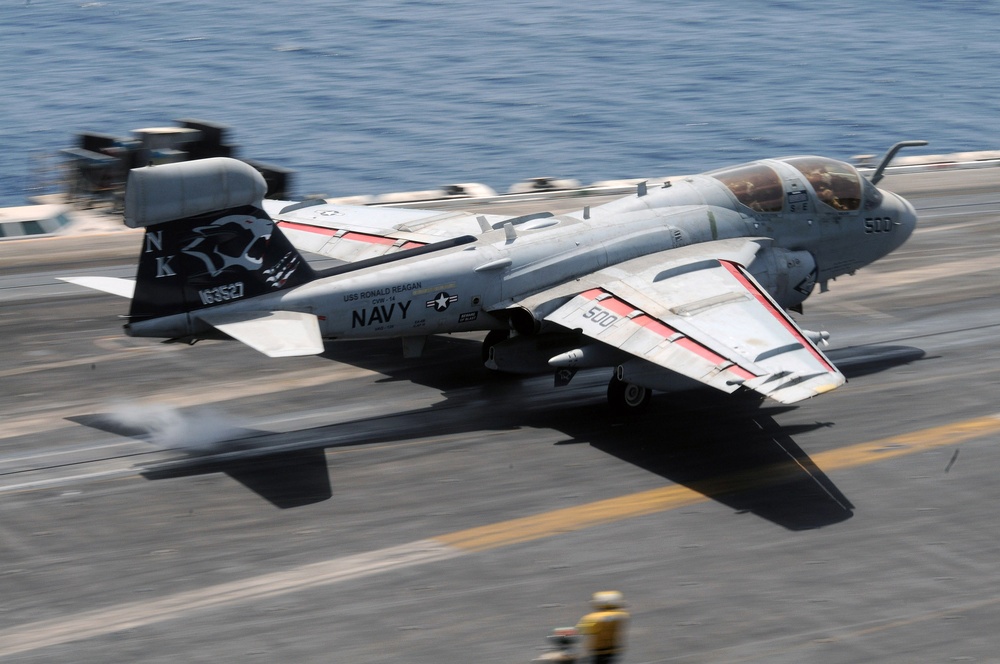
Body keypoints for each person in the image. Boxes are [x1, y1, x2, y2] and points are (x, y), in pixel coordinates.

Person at [575, 591, 629, 663]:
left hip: (597, 650)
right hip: (613, 649)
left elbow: (581, 630)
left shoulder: (592, 617)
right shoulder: (622, 615)